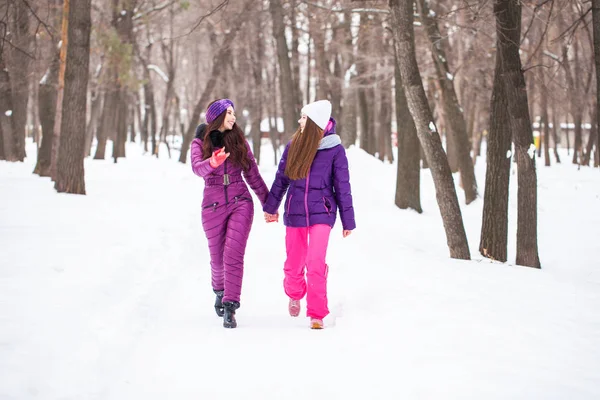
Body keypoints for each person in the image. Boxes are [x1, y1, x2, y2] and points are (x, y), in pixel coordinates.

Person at [263, 99, 355, 329]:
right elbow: (281, 180)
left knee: (315, 261)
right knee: (294, 265)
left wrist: (347, 220)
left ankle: (317, 313)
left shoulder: (335, 150)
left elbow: (343, 187)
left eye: (304, 117)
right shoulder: (294, 145)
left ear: (315, 122)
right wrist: (270, 208)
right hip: (295, 212)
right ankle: (295, 294)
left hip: (322, 212)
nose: (299, 121)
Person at [190, 98, 269, 329]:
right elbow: (197, 168)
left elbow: (253, 175)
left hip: (240, 202)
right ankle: (219, 290)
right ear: (217, 117)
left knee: (233, 255)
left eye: (233, 113)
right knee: (217, 258)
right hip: (212, 206)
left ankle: (230, 306)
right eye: (229, 113)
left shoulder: (239, 142)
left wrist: (269, 205)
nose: (233, 117)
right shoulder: (200, 142)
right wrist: (212, 162)